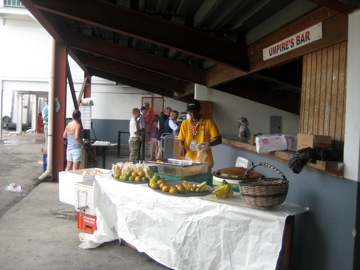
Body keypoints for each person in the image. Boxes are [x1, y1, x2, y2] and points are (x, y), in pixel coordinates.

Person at [178, 99, 222, 168]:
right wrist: (182, 147)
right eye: (190, 112)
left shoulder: (208, 122)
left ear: (200, 110)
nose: (193, 114)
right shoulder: (185, 123)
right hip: (189, 161)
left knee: (204, 179)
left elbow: (219, 140)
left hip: (204, 161)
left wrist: (209, 144)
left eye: (195, 111)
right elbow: (181, 139)